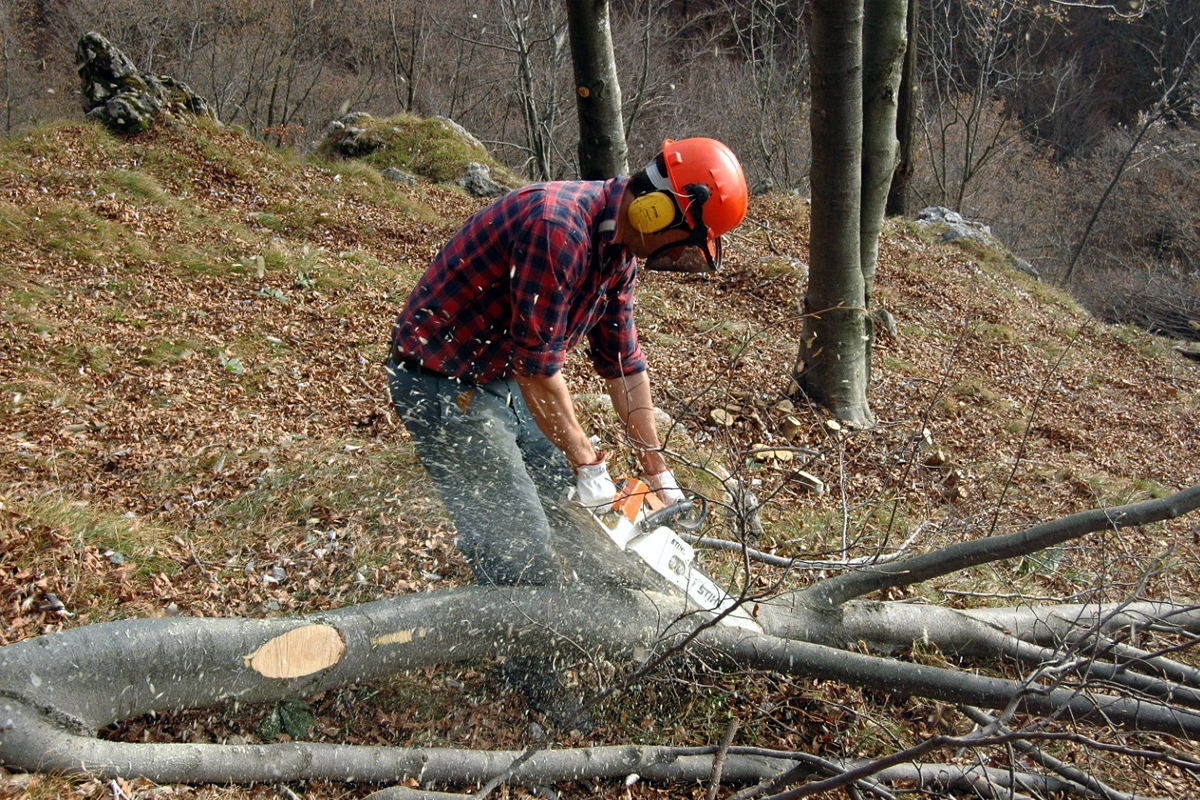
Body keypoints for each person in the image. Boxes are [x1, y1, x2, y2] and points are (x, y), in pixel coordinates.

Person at [385, 137, 749, 730]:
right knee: (518, 537)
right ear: (655, 210)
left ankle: (621, 626)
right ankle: (534, 681)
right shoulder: (558, 230)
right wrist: (588, 462)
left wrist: (658, 471)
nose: (681, 255)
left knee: (575, 508)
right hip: (443, 380)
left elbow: (624, 366)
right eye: (685, 240)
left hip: (501, 374)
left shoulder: (618, 253)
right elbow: (538, 369)